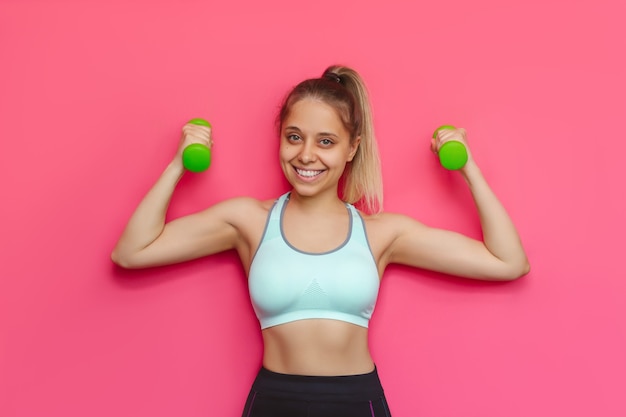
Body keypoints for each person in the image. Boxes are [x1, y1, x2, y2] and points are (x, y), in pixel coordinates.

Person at [111, 65, 530, 416]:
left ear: (352, 149)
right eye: (294, 137)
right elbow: (131, 252)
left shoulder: (381, 233)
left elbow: (508, 262)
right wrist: (178, 163)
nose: (306, 155)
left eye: (325, 142)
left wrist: (468, 168)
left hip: (355, 401)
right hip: (275, 401)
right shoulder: (248, 221)